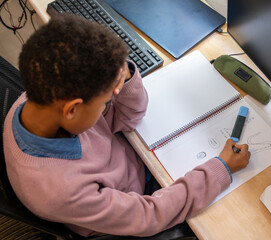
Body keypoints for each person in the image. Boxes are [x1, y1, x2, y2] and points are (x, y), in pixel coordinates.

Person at [3, 14, 250, 237]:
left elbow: (128, 117)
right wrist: (220, 169)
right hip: (141, 199)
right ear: (72, 109)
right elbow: (149, 215)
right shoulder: (61, 191)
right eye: (105, 101)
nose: (108, 106)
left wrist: (126, 76)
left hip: (132, 158)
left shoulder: (41, 98)